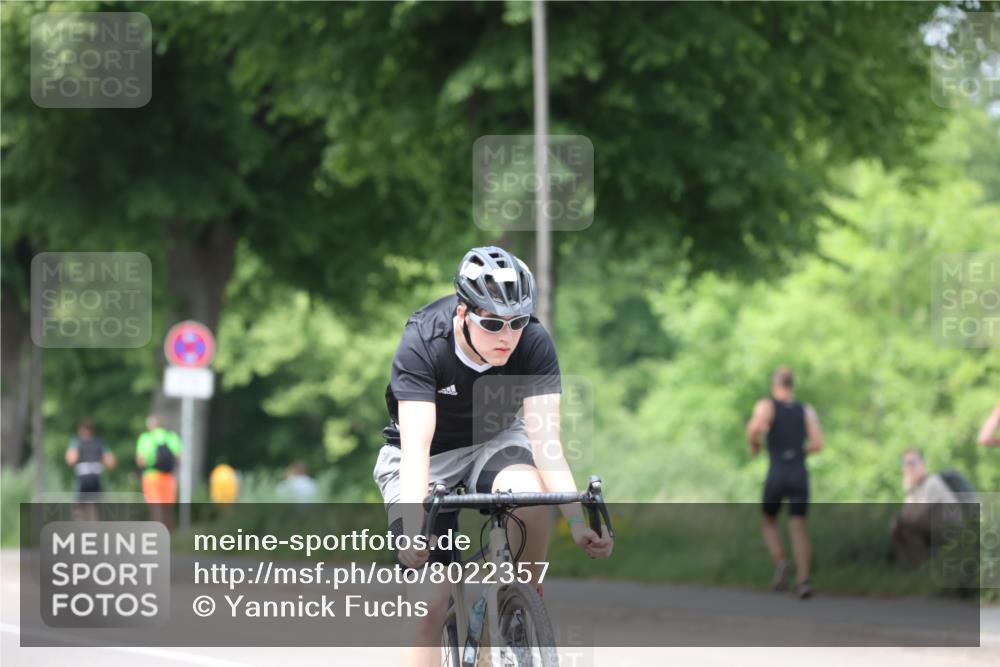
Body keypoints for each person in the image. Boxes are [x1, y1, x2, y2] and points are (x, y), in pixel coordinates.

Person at [372, 246, 613, 667]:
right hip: (428, 456)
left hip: (496, 439)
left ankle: (521, 603)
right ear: (463, 313)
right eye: (493, 323)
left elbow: (547, 444)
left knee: (532, 495)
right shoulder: (424, 342)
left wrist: (577, 523)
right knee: (428, 603)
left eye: (518, 321)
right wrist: (412, 526)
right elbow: (416, 448)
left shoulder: (532, 342)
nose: (507, 336)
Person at [746, 366, 823, 599]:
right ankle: (803, 580)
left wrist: (755, 444)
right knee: (798, 525)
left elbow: (754, 427)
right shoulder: (805, 410)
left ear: (774, 385)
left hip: (777, 471)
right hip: (799, 472)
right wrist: (798, 453)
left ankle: (780, 560)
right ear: (792, 386)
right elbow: (818, 443)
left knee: (768, 522)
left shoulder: (767, 405)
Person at [890, 448, 962, 568]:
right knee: (897, 527)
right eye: (905, 464)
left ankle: (921, 568)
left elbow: (916, 517)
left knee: (905, 527)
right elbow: (906, 516)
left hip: (950, 531)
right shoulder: (916, 488)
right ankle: (914, 568)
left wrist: (910, 491)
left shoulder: (932, 483)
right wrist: (910, 492)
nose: (909, 468)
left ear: (923, 464)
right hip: (934, 531)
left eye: (913, 463)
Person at [135, 415, 183, 529]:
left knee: (155, 505)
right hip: (168, 476)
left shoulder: (145, 438)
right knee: (168, 507)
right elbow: (179, 458)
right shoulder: (171, 437)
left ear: (149, 426)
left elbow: (140, 461)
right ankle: (169, 534)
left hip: (151, 476)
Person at [64, 417, 116, 520]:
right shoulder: (99, 443)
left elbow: (70, 460)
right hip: (95, 476)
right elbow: (111, 462)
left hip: (84, 478)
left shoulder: (77, 442)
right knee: (94, 507)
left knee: (79, 507)